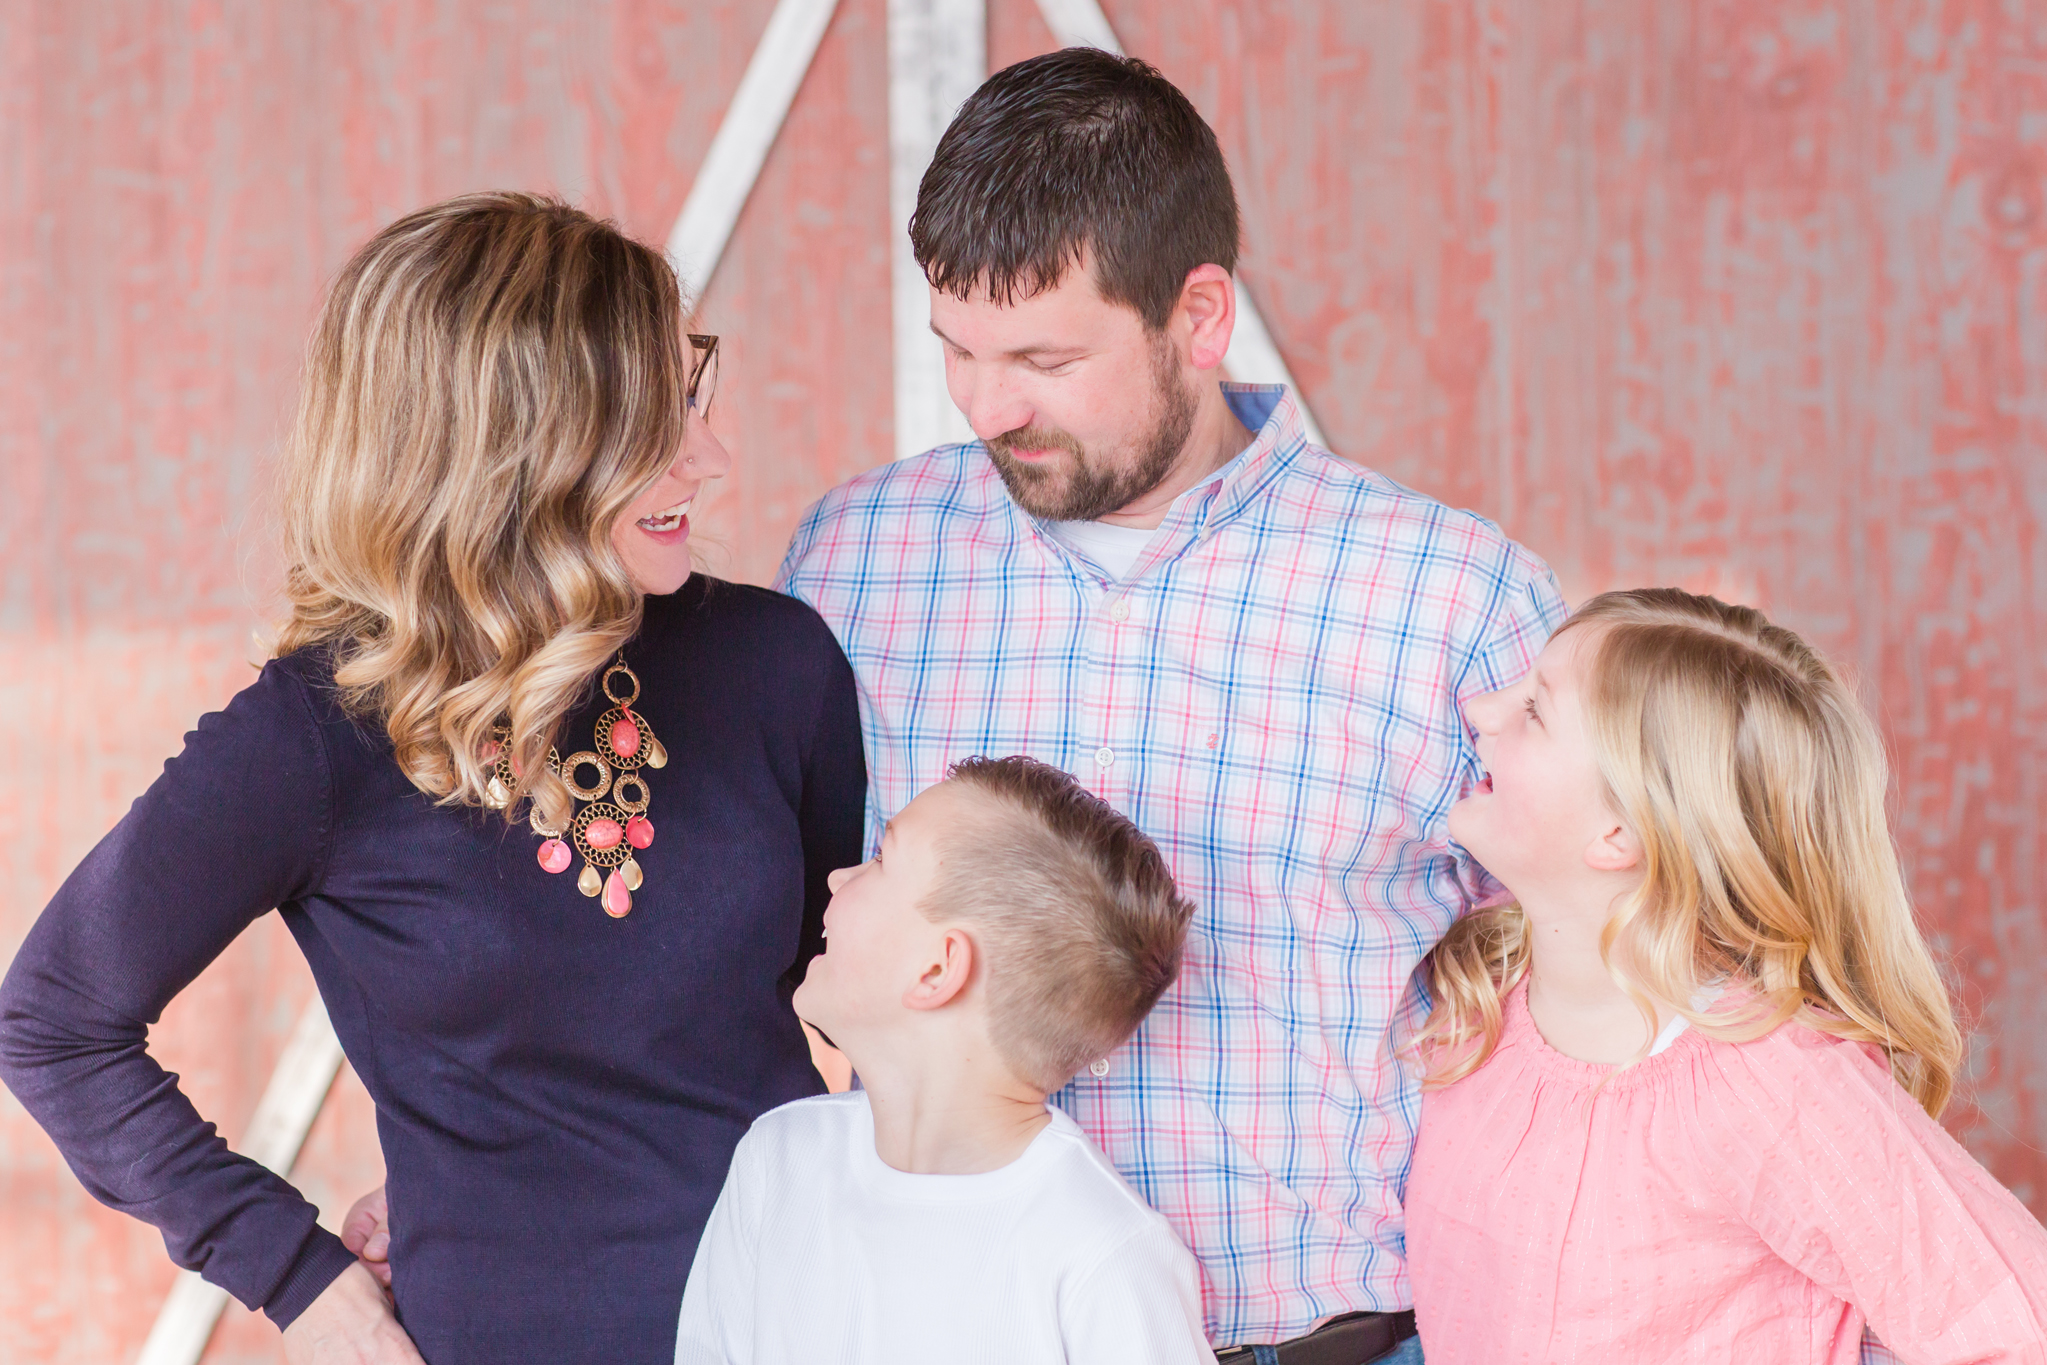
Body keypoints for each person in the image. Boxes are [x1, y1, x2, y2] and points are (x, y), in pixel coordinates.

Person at [774, 48, 1561, 1364]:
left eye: (1042, 356)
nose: (986, 405)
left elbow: (1607, 985)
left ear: (1199, 317)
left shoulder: (1451, 600)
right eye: (956, 348)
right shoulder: (855, 559)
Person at [0, 192, 866, 1364]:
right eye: (644, 423)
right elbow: (54, 1023)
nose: (709, 458)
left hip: (813, 1326)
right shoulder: (315, 735)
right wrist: (303, 1281)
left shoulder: (776, 661)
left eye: (691, 392)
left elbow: (873, 1013)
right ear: (507, 450)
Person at [1404, 588, 2047, 1362]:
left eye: (1535, 709)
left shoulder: (1775, 1083)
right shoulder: (1475, 998)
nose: (1478, 709)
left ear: (1619, 830)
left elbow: (2015, 1325)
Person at [674, 757, 1210, 1364]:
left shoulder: (1102, 1254)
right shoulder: (775, 1163)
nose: (839, 877)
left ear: (936, 969)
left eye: (881, 859)